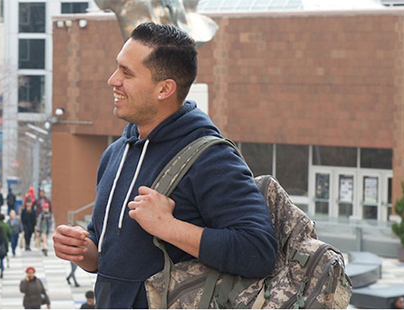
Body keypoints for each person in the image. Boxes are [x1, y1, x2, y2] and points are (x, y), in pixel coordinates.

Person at [52, 22, 276, 308]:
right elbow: (111, 254)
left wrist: (168, 227)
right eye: (117, 68)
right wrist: (85, 251)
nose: (112, 80)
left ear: (165, 89)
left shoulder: (210, 158)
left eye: (127, 73)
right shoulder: (114, 154)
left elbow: (257, 250)